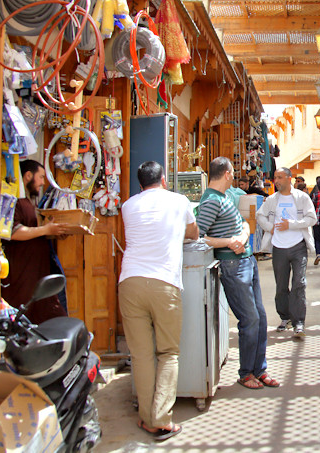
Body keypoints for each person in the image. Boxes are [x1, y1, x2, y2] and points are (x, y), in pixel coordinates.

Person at [120, 161, 198, 440]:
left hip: (130, 282)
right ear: (164, 180)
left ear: (140, 184)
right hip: (164, 283)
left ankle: (147, 418)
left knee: (141, 355)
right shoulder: (179, 201)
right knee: (168, 353)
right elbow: (193, 233)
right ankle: (162, 418)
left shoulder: (127, 206)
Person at [197, 157, 279, 389]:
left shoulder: (225, 197)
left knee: (260, 317)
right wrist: (228, 242)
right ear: (226, 173)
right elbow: (197, 237)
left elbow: (242, 223)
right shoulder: (211, 200)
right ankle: (246, 373)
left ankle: (259, 369)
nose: (234, 175)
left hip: (246, 261)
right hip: (233, 266)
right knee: (250, 319)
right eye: (232, 172)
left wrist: (242, 236)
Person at [3, 160, 69, 324]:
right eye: (40, 177)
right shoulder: (15, 201)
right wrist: (46, 230)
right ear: (28, 175)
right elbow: (13, 232)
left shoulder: (28, 203)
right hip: (21, 280)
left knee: (53, 321)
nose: (42, 182)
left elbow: (34, 232)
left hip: (37, 279)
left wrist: (53, 231)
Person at [256, 167, 316, 340]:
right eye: (275, 177)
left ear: (289, 178)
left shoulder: (302, 198)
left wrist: (291, 224)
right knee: (281, 286)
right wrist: (270, 228)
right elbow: (260, 216)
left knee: (299, 284)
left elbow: (312, 219)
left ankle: (299, 323)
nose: (276, 181)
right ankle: (285, 317)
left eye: (280, 177)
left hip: (298, 247)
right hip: (279, 248)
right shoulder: (272, 200)